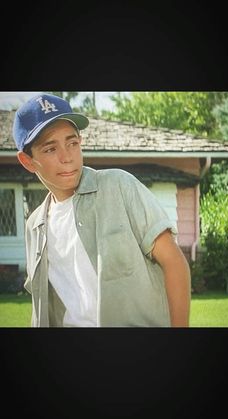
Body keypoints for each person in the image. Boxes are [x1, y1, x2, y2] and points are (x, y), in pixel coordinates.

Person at [13, 93, 191, 327]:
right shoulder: (34, 226)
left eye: (72, 143)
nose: (67, 157)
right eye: (50, 149)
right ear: (27, 161)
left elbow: (174, 263)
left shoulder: (119, 186)